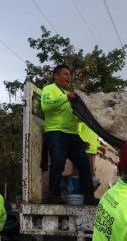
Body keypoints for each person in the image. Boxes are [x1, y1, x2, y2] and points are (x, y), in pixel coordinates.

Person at [41, 64, 97, 205]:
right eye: (65, 74)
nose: (69, 77)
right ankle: (54, 195)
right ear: (56, 76)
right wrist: (66, 97)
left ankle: (89, 196)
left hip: (72, 134)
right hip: (56, 132)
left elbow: (73, 117)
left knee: (84, 164)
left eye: (69, 75)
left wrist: (84, 117)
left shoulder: (66, 94)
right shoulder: (49, 89)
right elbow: (46, 106)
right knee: (58, 163)